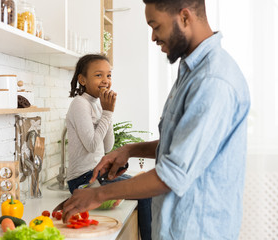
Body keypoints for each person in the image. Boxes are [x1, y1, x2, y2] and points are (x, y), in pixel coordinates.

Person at [60, 0, 251, 239]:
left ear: (184, 17)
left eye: (156, 26)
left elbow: (173, 173)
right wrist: (130, 149)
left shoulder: (212, 81)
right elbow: (181, 145)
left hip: (196, 231)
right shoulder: (191, 73)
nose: (153, 37)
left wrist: (96, 194)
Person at [65, 54, 152, 240]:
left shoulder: (96, 104)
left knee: (144, 184)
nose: (105, 80)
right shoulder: (79, 104)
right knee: (145, 193)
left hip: (96, 174)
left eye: (109, 75)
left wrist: (107, 112)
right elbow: (91, 145)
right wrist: (107, 112)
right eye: (98, 75)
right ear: (82, 80)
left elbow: (107, 146)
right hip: (83, 179)